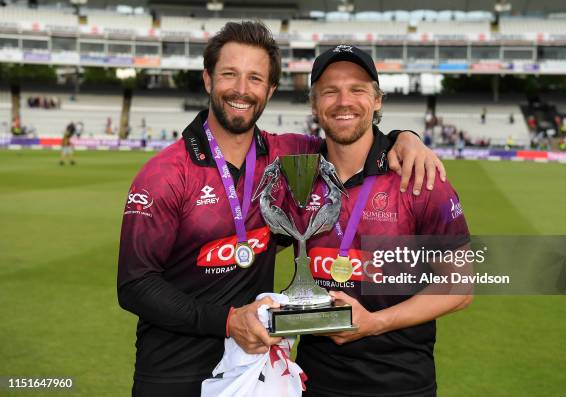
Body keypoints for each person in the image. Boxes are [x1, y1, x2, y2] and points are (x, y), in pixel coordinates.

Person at [117, 22, 445, 397]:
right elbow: (135, 285)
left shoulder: (289, 155)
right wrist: (227, 321)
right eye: (229, 75)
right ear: (208, 80)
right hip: (173, 372)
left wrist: (405, 139)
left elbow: (351, 137)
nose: (242, 89)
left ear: (270, 89)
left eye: (255, 78)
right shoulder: (164, 173)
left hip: (255, 371)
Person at [292, 45, 472, 397]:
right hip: (314, 381)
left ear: (377, 101)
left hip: (401, 383)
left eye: (358, 89)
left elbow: (460, 288)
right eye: (330, 91)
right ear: (314, 105)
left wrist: (374, 323)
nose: (344, 100)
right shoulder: (298, 174)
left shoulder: (419, 178)